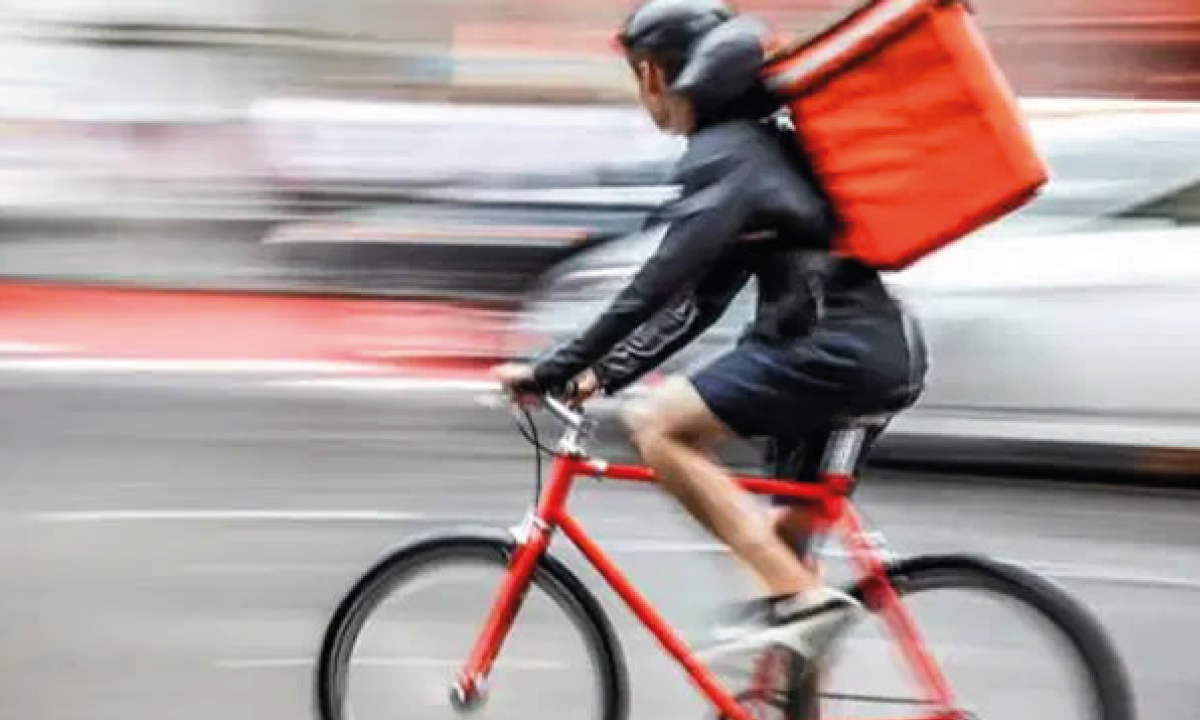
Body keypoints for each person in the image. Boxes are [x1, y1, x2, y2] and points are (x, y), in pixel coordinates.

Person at [493, 0, 927, 675]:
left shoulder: (729, 154)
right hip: (865, 348)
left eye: (639, 76)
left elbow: (661, 279)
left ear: (654, 75)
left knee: (658, 427)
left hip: (828, 349)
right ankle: (795, 642)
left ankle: (803, 600)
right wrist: (602, 372)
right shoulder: (759, 145)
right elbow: (702, 297)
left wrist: (553, 366)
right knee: (783, 582)